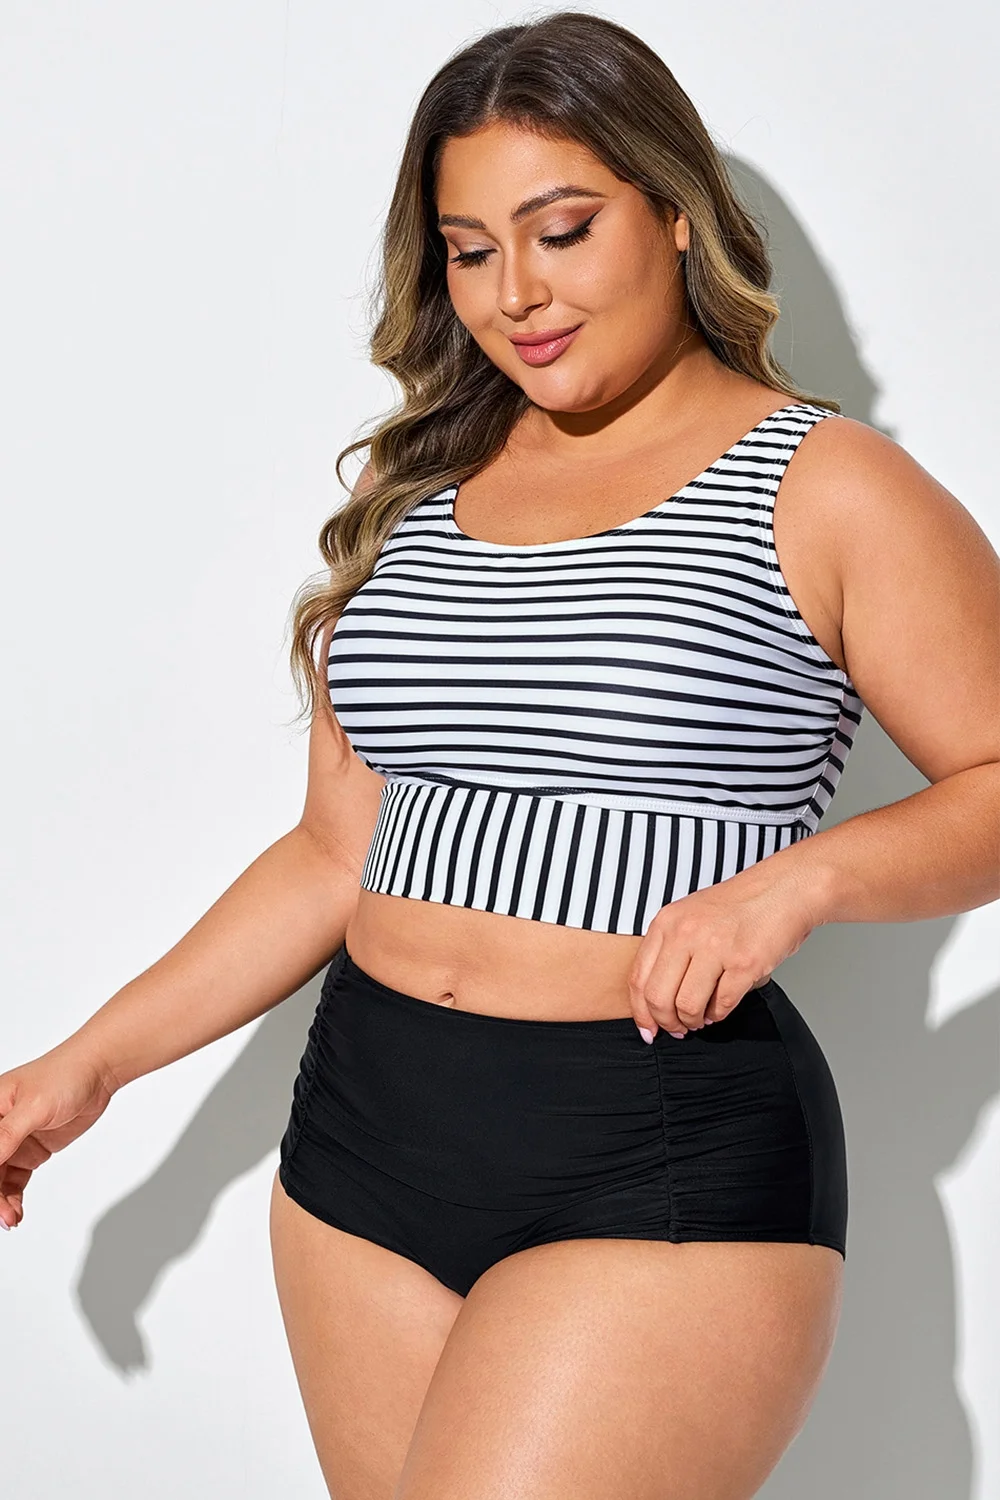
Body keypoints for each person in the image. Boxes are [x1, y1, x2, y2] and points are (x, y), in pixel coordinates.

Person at [2, 11, 998, 1498]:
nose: (515, 293)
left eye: (562, 231)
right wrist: (86, 1068)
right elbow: (334, 855)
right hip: (364, 1138)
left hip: (654, 1148)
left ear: (675, 214)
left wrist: (797, 885)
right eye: (471, 251)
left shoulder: (828, 486)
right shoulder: (424, 494)